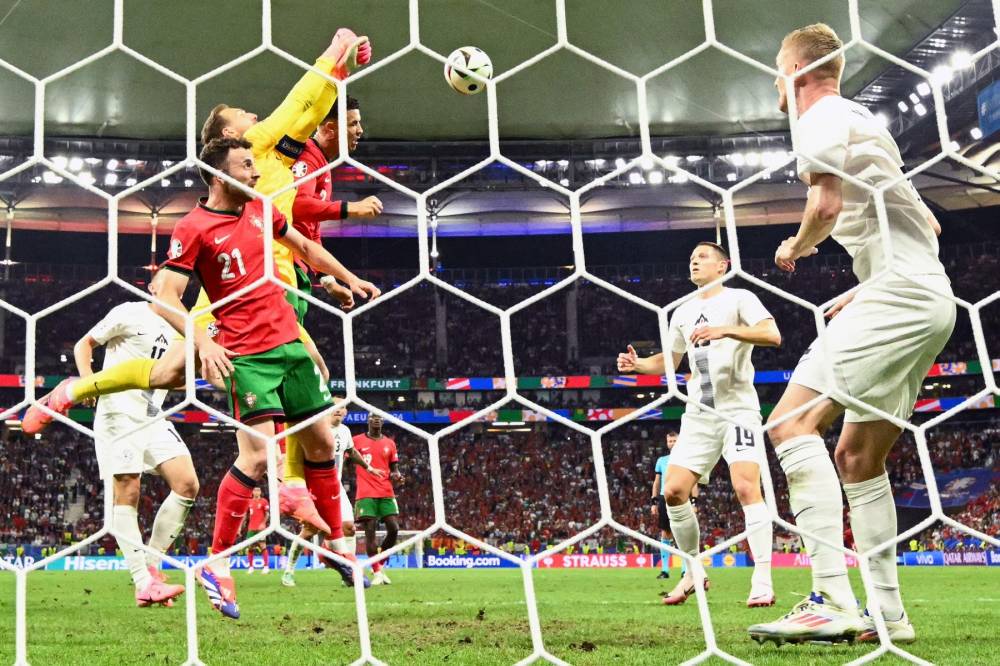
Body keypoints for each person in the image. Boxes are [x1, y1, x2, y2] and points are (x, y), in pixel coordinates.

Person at [22, 28, 377, 539]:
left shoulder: (272, 161)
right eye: (243, 117)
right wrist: (336, 50)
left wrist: (343, 71)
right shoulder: (249, 149)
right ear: (228, 139)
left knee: (170, 374)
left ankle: (72, 390)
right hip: (252, 293)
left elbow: (308, 123)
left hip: (270, 283)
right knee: (305, 375)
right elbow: (301, 101)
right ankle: (288, 482)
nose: (255, 118)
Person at [748, 23, 954, 646]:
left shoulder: (819, 116)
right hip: (928, 299)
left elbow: (826, 206)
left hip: (898, 298)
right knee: (859, 458)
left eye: (778, 68)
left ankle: (830, 599)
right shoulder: (868, 125)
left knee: (788, 426)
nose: (774, 80)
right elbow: (931, 230)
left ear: (800, 73)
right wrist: (867, 287)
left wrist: (796, 246)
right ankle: (889, 617)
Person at [153, 136, 377, 620]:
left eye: (254, 165)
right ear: (217, 176)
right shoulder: (193, 227)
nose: (255, 175)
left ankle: (336, 545)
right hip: (245, 356)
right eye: (244, 166)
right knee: (256, 457)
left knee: (322, 442)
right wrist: (203, 340)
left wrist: (349, 277)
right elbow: (163, 295)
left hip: (289, 347)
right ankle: (217, 564)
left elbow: (304, 247)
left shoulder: (260, 208)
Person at [618, 241, 779, 608]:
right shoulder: (683, 312)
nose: (694, 261)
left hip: (737, 410)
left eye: (703, 256)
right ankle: (694, 571)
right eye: (691, 257)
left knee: (744, 487)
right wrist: (638, 365)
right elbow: (670, 361)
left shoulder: (740, 299)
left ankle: (763, 581)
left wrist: (727, 330)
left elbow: (772, 334)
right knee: (673, 492)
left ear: (723, 266)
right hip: (698, 414)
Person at [74, 289, 197, 608]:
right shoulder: (129, 312)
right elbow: (83, 344)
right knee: (127, 489)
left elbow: (175, 379)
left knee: (187, 483)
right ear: (156, 289)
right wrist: (88, 380)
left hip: (152, 414)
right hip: (118, 408)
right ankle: (143, 583)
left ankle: (153, 565)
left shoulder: (183, 327)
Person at [281, 401, 383, 588]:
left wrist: (368, 467)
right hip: (313, 487)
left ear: (346, 412)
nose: (339, 409)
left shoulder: (345, 432)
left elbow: (351, 452)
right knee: (309, 531)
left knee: (349, 528)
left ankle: (349, 573)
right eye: (334, 406)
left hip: (336, 488)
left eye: (342, 407)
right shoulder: (315, 428)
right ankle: (289, 570)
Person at [352, 413, 404, 585]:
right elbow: (347, 460)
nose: (376, 419)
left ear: (383, 422)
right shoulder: (356, 441)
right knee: (370, 532)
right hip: (366, 492)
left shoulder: (390, 443)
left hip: (386, 491)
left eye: (379, 418)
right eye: (373, 417)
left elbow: (394, 469)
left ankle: (379, 565)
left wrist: (397, 476)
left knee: (394, 528)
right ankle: (377, 572)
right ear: (367, 420)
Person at [244, 487, 269, 575]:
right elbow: (245, 515)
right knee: (250, 547)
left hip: (261, 528)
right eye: (255, 490)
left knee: (263, 546)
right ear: (252, 492)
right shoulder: (249, 502)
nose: (256, 492)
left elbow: (267, 514)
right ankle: (251, 567)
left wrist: (263, 523)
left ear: (260, 492)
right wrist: (241, 526)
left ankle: (266, 567)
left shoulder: (264, 501)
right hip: (251, 528)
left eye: (258, 490)